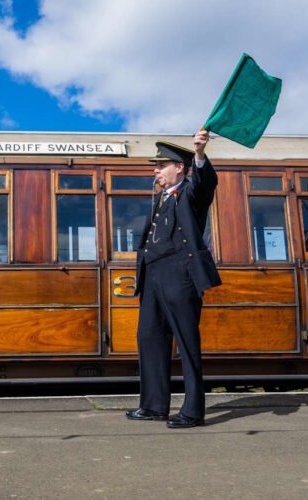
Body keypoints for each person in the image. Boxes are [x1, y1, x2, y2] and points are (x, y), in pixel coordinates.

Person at [125, 129, 221, 428]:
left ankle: (193, 411)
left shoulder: (190, 193)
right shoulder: (162, 199)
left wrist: (200, 153)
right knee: (149, 338)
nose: (155, 170)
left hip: (180, 276)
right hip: (153, 276)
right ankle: (154, 406)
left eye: (161, 165)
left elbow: (206, 183)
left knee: (187, 342)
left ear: (179, 167)